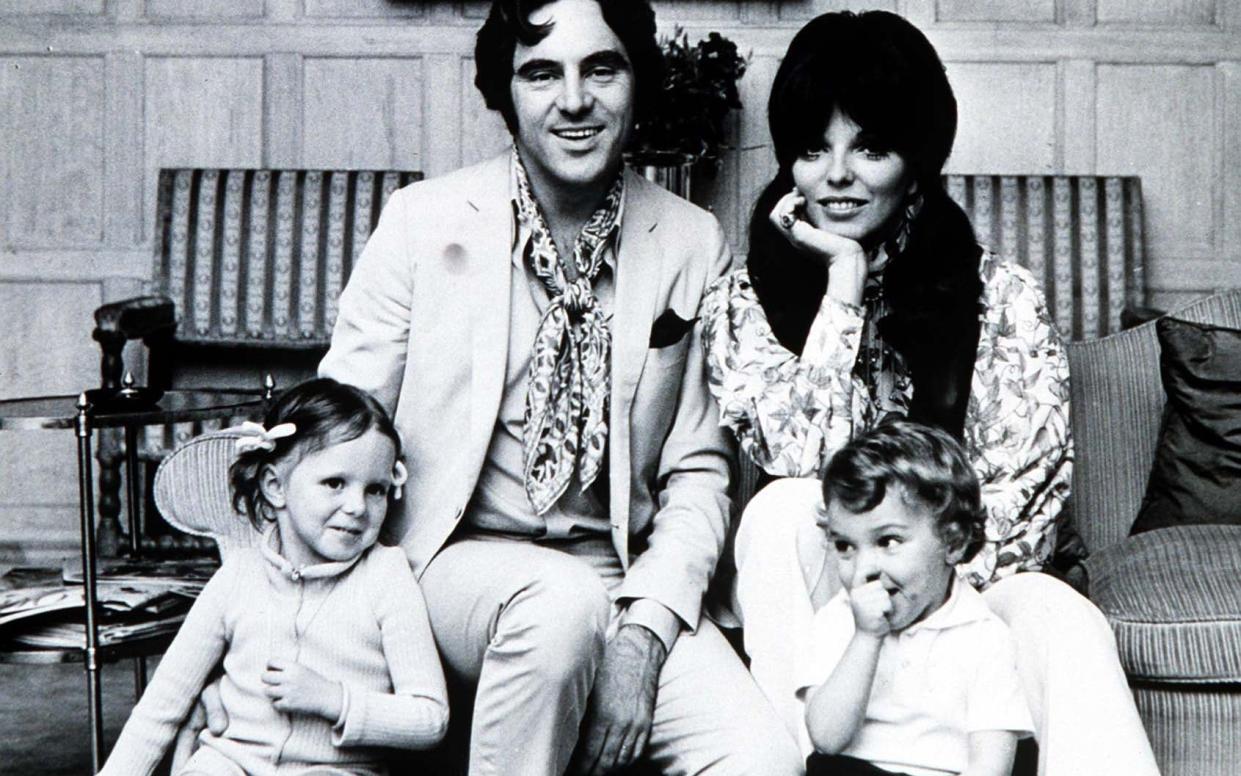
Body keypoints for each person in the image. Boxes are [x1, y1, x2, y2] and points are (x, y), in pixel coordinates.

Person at [316, 0, 801, 774]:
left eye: (600, 68)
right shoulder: (420, 222)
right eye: (541, 73)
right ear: (505, 94)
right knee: (554, 607)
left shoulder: (688, 241)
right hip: (448, 564)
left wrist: (644, 635)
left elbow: (699, 474)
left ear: (637, 81)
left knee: (759, 755)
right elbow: (334, 431)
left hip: (619, 576)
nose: (574, 101)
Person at [699, 10, 1160, 775]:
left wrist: (923, 603)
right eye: (813, 149)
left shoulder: (1000, 294)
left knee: (1058, 613)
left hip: (973, 594)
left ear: (915, 156)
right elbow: (799, 461)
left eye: (870, 146)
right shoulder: (746, 298)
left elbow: (1026, 505)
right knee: (778, 511)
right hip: (837, 604)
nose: (836, 176)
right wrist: (840, 294)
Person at [99, 378, 449, 776]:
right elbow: (161, 707)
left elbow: (429, 718)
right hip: (230, 760)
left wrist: (335, 700)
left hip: (332, 770)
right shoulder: (238, 577)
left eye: (376, 490)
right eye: (335, 483)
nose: (357, 506)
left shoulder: (387, 577)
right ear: (275, 486)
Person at [801, 419, 1032, 776]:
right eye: (845, 546)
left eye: (887, 542)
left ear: (952, 543)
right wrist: (866, 637)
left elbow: (991, 765)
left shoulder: (984, 636)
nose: (864, 569)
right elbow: (827, 740)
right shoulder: (838, 620)